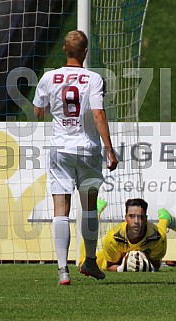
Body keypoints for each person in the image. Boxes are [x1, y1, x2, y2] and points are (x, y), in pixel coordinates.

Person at [33, 30, 118, 285]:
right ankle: (89, 261)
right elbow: (99, 115)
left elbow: (38, 112)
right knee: (89, 206)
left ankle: (62, 270)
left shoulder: (48, 78)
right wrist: (110, 150)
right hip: (87, 149)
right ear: (85, 51)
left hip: (60, 149)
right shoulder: (93, 79)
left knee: (61, 209)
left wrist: (55, 108)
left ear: (63, 50)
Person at [79, 198, 176, 272]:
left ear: (146, 218)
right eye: (131, 216)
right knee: (83, 263)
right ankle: (96, 212)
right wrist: (122, 268)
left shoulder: (158, 238)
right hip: (115, 259)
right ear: (125, 218)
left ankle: (165, 219)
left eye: (140, 217)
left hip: (153, 234)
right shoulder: (113, 238)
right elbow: (110, 266)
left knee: (161, 232)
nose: (136, 221)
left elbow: (156, 265)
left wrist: (145, 266)